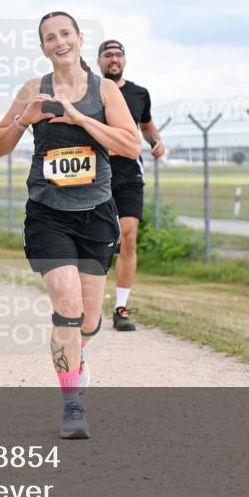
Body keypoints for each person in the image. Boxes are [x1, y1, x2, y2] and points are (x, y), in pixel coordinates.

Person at [0, 12, 140, 439]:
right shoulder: (32, 89)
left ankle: (77, 353)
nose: (60, 42)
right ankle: (72, 404)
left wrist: (80, 119)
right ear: (43, 48)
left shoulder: (104, 90)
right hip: (47, 213)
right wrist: (24, 119)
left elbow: (130, 145)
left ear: (79, 38)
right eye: (50, 37)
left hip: (96, 214)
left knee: (89, 321)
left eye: (65, 34)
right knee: (67, 307)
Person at [96, 40, 166, 331]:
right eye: (108, 54)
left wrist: (156, 141)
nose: (114, 59)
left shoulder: (139, 94)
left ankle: (120, 308)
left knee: (128, 237)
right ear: (99, 61)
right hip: (96, 172)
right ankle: (88, 306)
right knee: (97, 238)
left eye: (118, 54)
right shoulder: (92, 91)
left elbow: (146, 125)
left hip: (129, 174)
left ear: (124, 60)